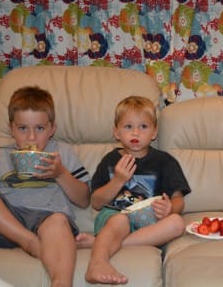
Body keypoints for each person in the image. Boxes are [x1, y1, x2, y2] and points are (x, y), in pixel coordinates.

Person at [0, 86, 90, 287]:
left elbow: (84, 200)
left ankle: (60, 283)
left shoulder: (62, 153)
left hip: (47, 218)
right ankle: (28, 240)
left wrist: (61, 174)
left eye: (39, 128)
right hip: (4, 222)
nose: (31, 138)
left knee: (58, 221)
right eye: (23, 128)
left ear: (52, 129)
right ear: (11, 128)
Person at [80, 95, 191, 285]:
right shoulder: (110, 160)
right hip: (114, 217)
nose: (136, 133)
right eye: (128, 126)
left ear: (154, 132)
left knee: (177, 223)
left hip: (149, 221)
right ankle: (97, 263)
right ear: (116, 132)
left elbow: (178, 199)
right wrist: (118, 180)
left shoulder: (165, 161)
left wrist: (170, 208)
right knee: (121, 220)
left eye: (144, 127)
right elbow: (96, 202)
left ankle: (100, 243)